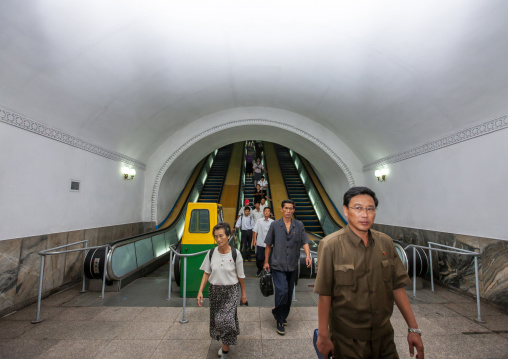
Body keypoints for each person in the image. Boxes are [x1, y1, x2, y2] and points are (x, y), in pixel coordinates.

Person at [314, 187, 424, 359]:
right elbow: (325, 294)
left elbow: (397, 287)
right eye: (357, 208)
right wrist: (323, 335)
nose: (364, 214)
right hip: (347, 341)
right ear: (345, 210)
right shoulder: (331, 245)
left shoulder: (386, 243)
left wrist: (413, 328)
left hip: (384, 338)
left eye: (370, 209)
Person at [197, 223, 247, 359]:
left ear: (228, 236)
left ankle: (224, 353)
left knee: (225, 320)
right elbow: (206, 273)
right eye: (216, 236)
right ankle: (226, 345)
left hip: (231, 291)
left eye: (221, 236)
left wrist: (243, 294)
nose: (218, 239)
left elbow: (241, 276)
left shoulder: (236, 254)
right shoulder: (211, 253)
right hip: (214, 291)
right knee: (218, 321)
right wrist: (200, 291)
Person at [263, 199, 311, 335]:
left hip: (292, 265)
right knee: (282, 291)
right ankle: (279, 318)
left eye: (291, 209)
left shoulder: (299, 225)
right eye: (286, 208)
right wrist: (266, 262)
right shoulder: (274, 225)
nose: (288, 211)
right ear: (281, 209)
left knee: (289, 294)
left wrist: (307, 256)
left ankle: (282, 315)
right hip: (278, 265)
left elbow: (305, 242)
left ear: (293, 210)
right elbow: (268, 245)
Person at [252, 207, 274, 276]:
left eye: (268, 211)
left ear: (270, 213)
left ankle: (268, 272)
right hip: (260, 243)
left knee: (270, 258)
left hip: (270, 244)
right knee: (259, 258)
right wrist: (254, 240)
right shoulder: (259, 221)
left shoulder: (273, 222)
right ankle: (260, 269)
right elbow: (255, 231)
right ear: (263, 212)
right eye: (266, 211)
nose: (267, 212)